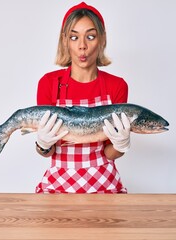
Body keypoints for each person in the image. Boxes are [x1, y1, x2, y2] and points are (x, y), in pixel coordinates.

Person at [35, 2, 131, 193]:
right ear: (65, 41)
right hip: (58, 189)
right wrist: (42, 144)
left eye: (90, 36)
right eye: (73, 37)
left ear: (102, 39)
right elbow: (48, 151)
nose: (82, 46)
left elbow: (108, 152)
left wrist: (121, 144)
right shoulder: (49, 83)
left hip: (104, 188)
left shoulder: (117, 86)